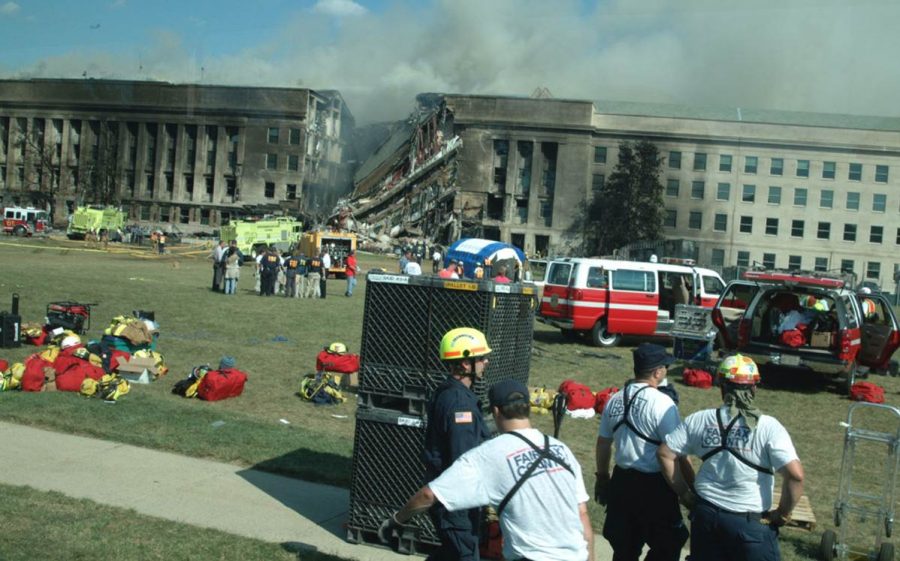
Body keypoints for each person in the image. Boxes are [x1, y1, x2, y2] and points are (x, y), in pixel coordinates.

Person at [380, 379, 593, 561]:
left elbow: (429, 495)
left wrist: (396, 520)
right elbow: (582, 515)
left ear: (496, 411)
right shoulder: (561, 450)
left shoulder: (489, 455)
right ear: (528, 408)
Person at [657, 354, 804, 561]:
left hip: (706, 518)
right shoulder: (768, 427)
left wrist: (685, 494)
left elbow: (665, 453)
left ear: (722, 387)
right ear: (754, 389)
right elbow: (795, 476)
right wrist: (782, 514)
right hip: (750, 527)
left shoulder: (699, 419)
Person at [595, 342, 690, 561]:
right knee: (669, 545)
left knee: (624, 549)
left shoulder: (615, 399)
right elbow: (678, 452)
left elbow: (603, 443)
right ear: (657, 372)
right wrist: (687, 489)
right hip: (654, 487)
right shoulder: (663, 403)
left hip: (622, 483)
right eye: (665, 367)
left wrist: (602, 478)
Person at [418, 328, 493, 561]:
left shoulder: (448, 392)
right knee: (465, 555)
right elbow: (464, 458)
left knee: (452, 553)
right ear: (465, 363)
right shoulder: (461, 403)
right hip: (456, 500)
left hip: (451, 496)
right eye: (480, 358)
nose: (486, 361)